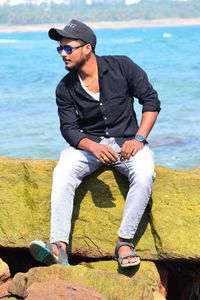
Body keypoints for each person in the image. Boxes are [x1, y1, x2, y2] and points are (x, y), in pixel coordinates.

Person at [30, 19, 161, 268]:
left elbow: (151, 101)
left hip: (128, 143)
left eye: (68, 48)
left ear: (87, 48)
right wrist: (93, 146)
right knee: (63, 171)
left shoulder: (122, 66)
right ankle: (58, 247)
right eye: (60, 49)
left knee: (145, 174)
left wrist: (139, 139)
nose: (62, 54)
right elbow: (68, 129)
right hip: (89, 146)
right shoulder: (65, 87)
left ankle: (124, 243)